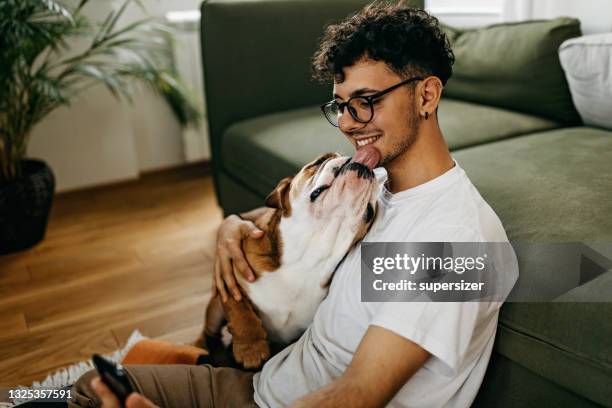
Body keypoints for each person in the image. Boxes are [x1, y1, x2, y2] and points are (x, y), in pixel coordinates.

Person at [70, 2, 518, 407]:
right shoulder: (375, 189)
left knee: (89, 397)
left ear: (426, 95)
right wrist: (232, 227)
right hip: (270, 378)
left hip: (281, 401)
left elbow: (357, 394)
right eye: (340, 106)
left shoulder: (455, 243)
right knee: (90, 386)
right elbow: (283, 219)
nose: (346, 123)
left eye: (365, 102)